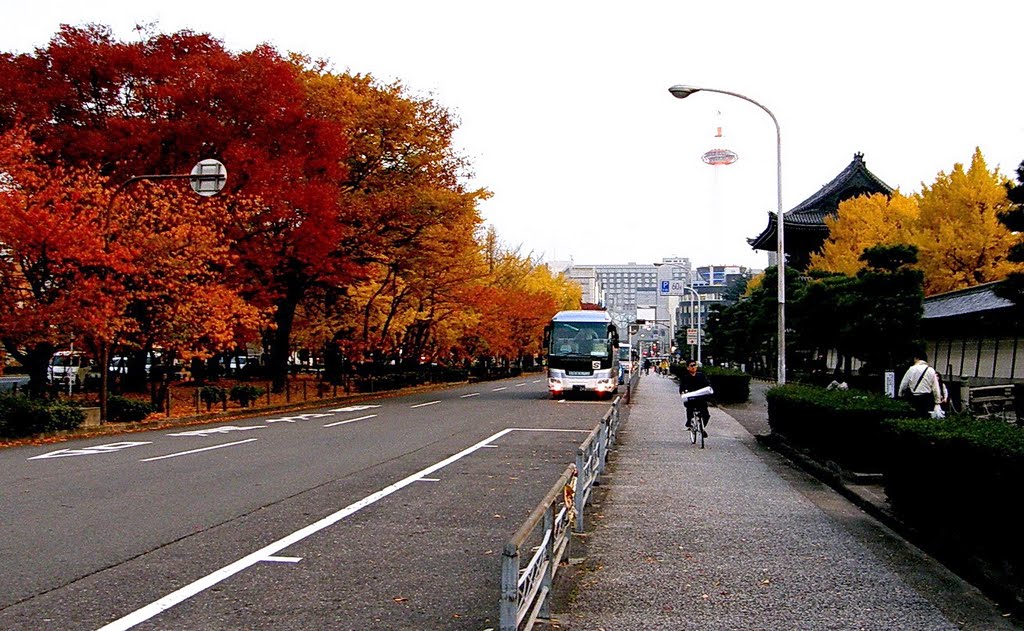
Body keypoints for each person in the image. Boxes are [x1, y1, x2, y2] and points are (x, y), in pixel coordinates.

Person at [898, 351, 943, 418]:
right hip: (927, 398)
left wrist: (900, 394)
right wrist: (937, 402)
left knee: (914, 416)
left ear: (916, 358)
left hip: (914, 398)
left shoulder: (911, 369)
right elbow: (936, 387)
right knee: (926, 416)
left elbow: (904, 383)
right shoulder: (931, 370)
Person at [678, 359, 712, 436]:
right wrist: (683, 393)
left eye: (695, 365)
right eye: (691, 366)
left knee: (706, 415)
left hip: (701, 399)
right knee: (690, 409)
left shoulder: (701, 375)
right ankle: (689, 423)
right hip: (691, 399)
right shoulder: (685, 377)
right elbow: (682, 388)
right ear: (688, 368)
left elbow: (707, 384)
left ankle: (701, 427)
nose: (694, 367)